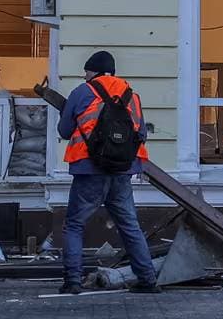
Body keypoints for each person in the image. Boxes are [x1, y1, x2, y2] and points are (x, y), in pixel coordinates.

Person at [57, 51, 159, 295]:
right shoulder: (131, 95)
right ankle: (147, 280)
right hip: (122, 170)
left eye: (86, 72)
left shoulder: (82, 91)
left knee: (74, 224)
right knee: (129, 225)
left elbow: (64, 130)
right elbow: (141, 134)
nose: (84, 75)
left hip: (89, 168)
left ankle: (72, 282)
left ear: (93, 71)